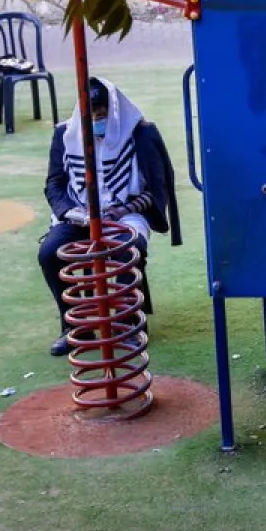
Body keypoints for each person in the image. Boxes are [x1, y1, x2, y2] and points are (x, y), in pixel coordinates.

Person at [38, 77, 181, 357]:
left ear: (113, 112)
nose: (95, 121)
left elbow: (156, 188)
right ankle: (74, 325)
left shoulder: (140, 135)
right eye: (90, 115)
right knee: (49, 253)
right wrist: (71, 212)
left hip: (126, 213)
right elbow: (54, 183)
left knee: (128, 248)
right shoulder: (66, 135)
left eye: (101, 114)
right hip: (78, 214)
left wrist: (123, 211)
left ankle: (128, 325)